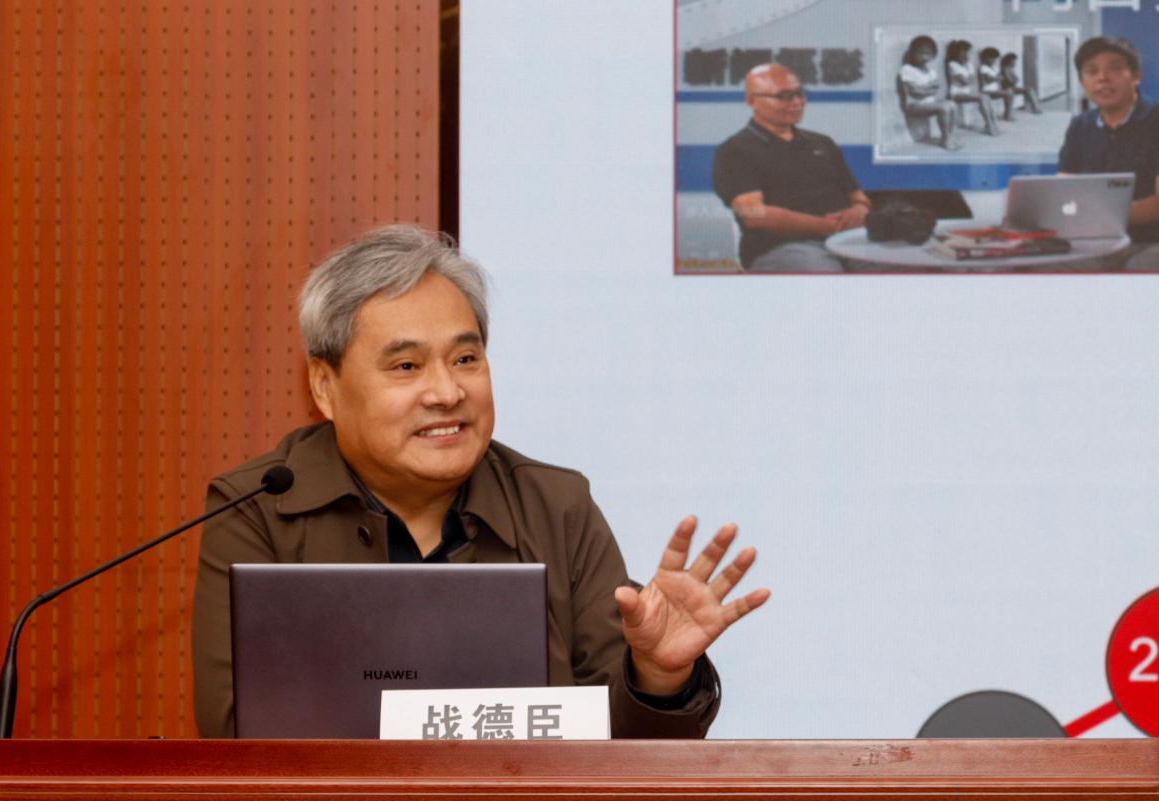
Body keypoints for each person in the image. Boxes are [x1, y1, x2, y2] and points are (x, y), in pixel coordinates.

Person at [191, 224, 771, 738]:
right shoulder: (257, 510)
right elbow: (238, 729)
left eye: (465, 359)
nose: (448, 392)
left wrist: (657, 676)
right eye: (406, 366)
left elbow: (621, 755)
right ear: (324, 387)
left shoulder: (556, 506)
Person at [712, 63, 872, 272]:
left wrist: (859, 210)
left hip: (846, 238)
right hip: (782, 247)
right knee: (826, 278)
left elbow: (858, 196)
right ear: (751, 101)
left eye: (799, 94)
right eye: (784, 96)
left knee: (897, 264)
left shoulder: (822, 143)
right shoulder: (735, 150)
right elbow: (753, 214)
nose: (797, 102)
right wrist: (828, 226)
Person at [1057, 36, 1159, 271]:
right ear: (1082, 82)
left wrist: (1094, 214)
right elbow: (1064, 189)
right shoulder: (1080, 125)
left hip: (1149, 242)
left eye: (1114, 68)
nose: (1102, 77)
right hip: (1092, 243)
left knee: (1141, 266)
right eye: (1092, 71)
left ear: (1136, 76)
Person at [946, 39, 1000, 135]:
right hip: (956, 93)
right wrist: (969, 78)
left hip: (966, 93)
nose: (965, 55)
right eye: (963, 52)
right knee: (982, 97)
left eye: (967, 52)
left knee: (986, 97)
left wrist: (968, 78)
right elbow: (966, 81)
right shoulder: (952, 64)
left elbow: (970, 80)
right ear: (956, 53)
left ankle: (992, 124)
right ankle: (990, 126)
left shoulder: (969, 65)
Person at [977, 47, 1016, 121]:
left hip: (995, 90)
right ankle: (1007, 115)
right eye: (991, 58)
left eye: (994, 58)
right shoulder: (983, 67)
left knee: (1009, 92)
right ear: (985, 58)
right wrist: (997, 78)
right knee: (1008, 93)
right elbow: (988, 79)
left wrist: (997, 78)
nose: (993, 60)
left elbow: (1000, 77)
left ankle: (1007, 114)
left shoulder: (994, 67)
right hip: (986, 90)